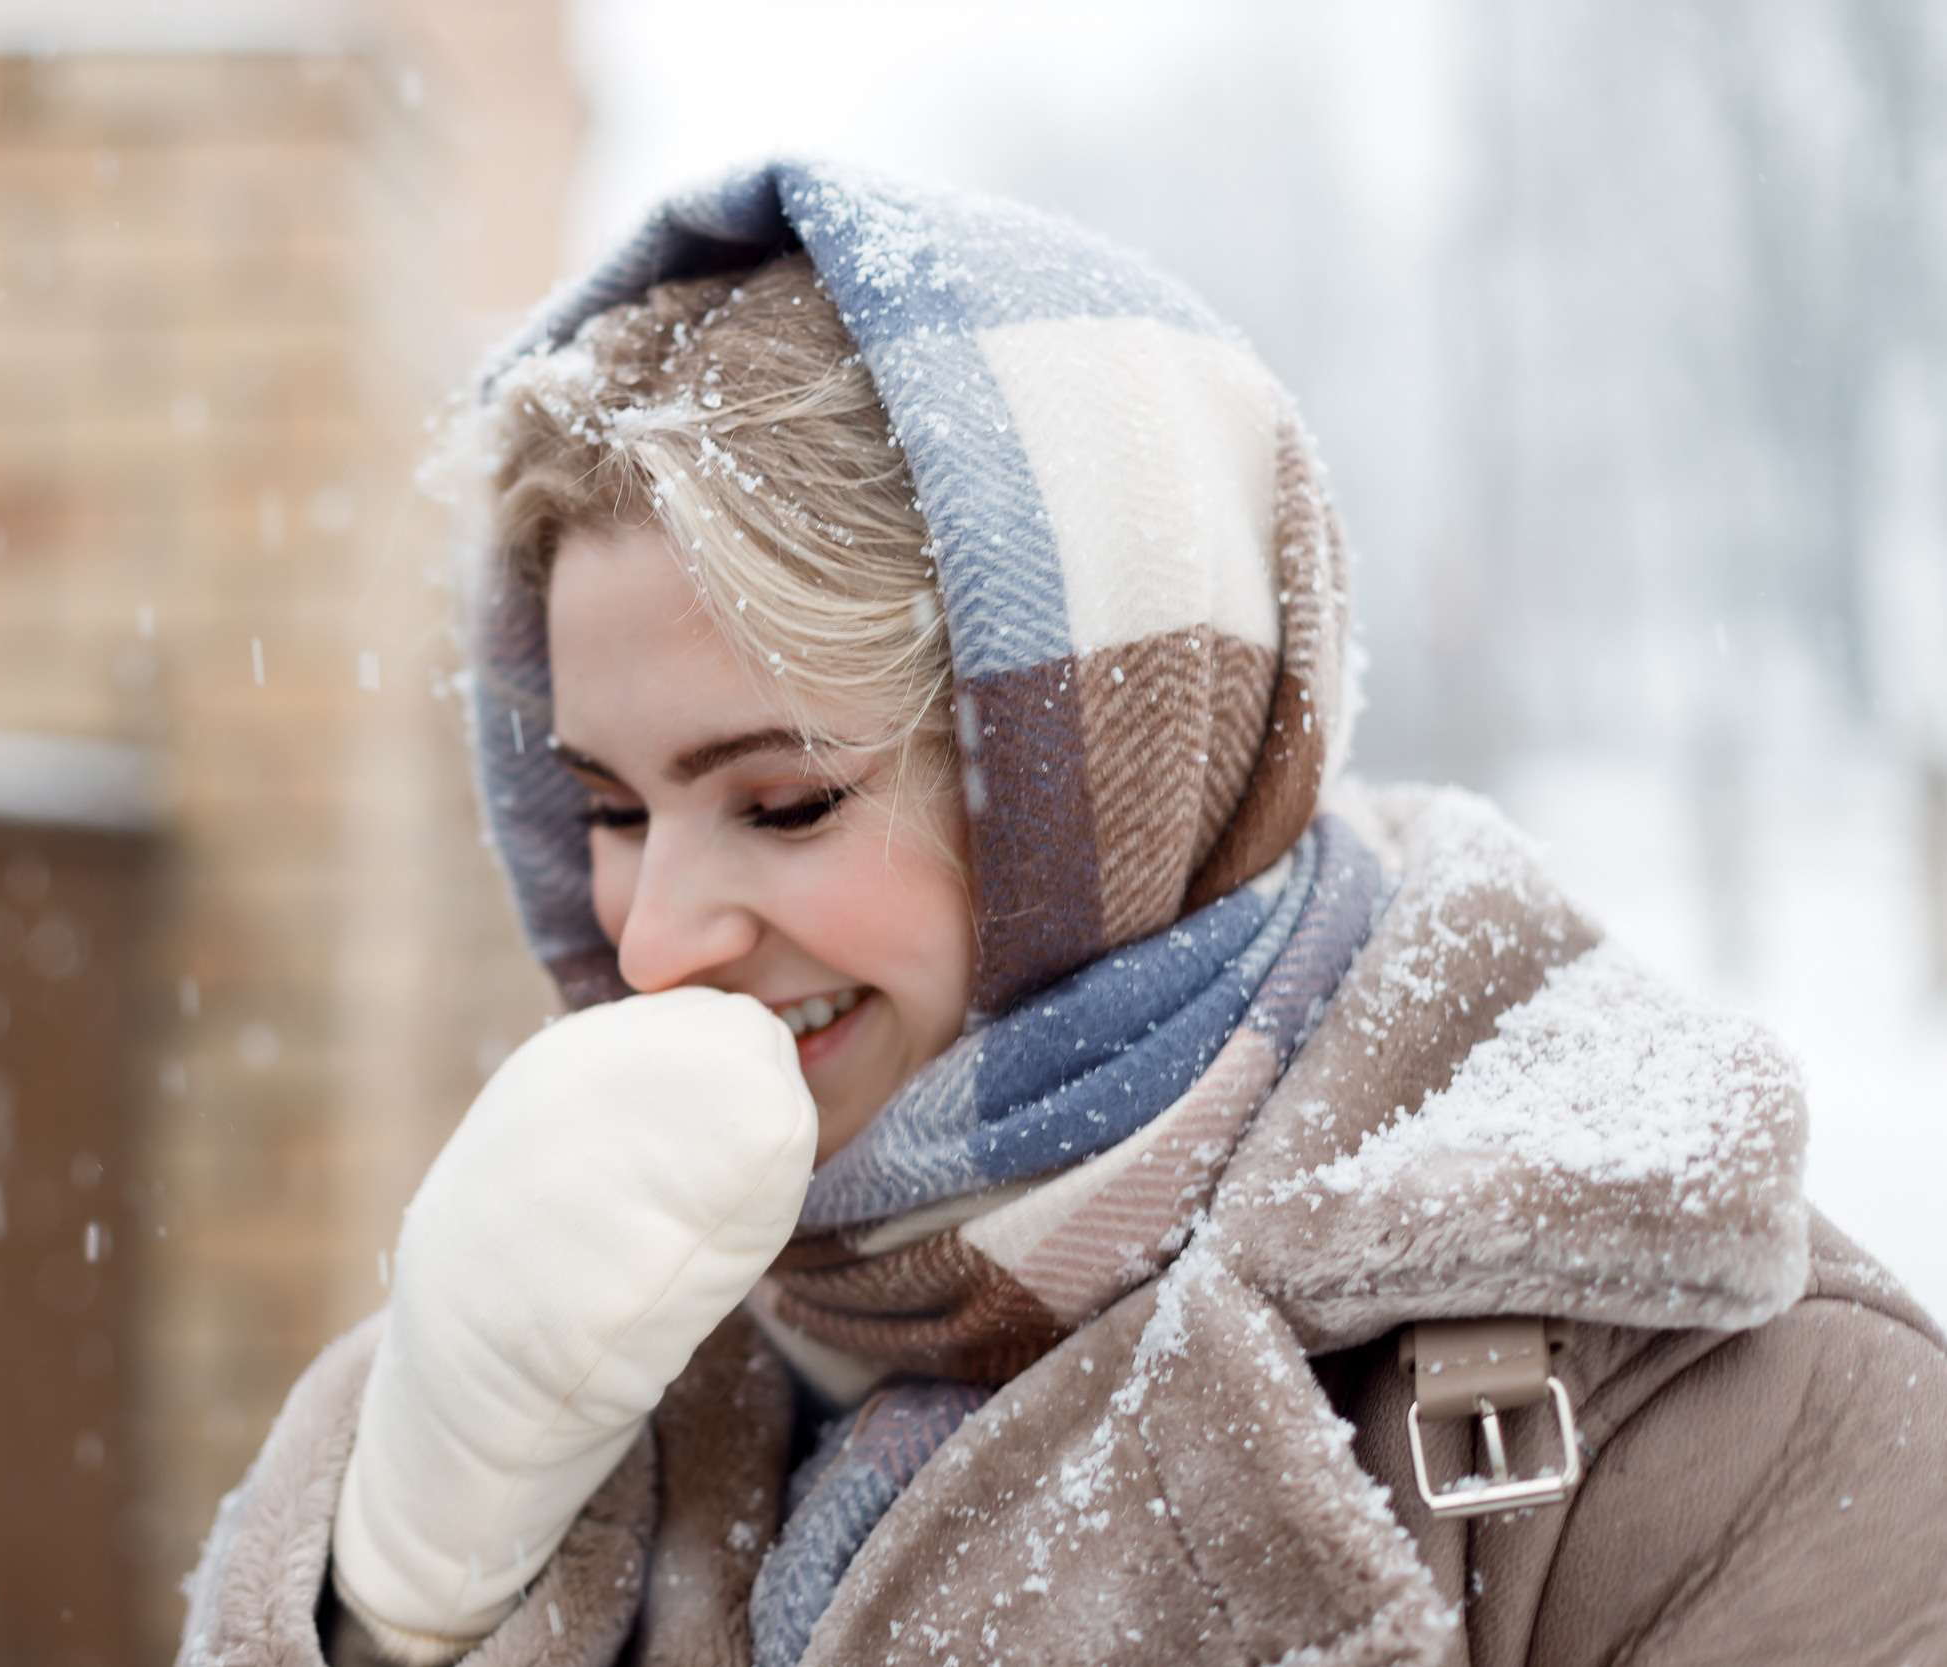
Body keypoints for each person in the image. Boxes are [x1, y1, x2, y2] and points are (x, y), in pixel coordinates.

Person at [179, 163, 1947, 1667]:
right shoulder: (584, 1350)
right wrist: (397, 1586)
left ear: (1100, 777)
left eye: (785, 802)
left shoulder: (1702, 1416)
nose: (652, 946)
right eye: (611, 813)